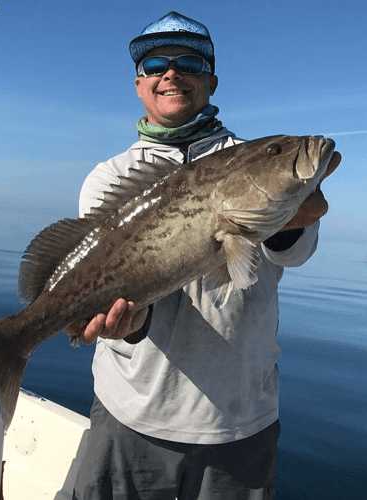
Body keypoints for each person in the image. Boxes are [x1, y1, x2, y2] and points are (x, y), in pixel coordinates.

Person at [69, 11, 340, 500]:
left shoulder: (250, 156)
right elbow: (121, 287)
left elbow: (294, 254)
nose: (171, 73)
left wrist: (286, 213)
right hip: (132, 412)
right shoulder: (110, 178)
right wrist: (126, 322)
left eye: (188, 62)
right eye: (155, 64)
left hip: (241, 420)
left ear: (211, 81)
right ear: (139, 85)